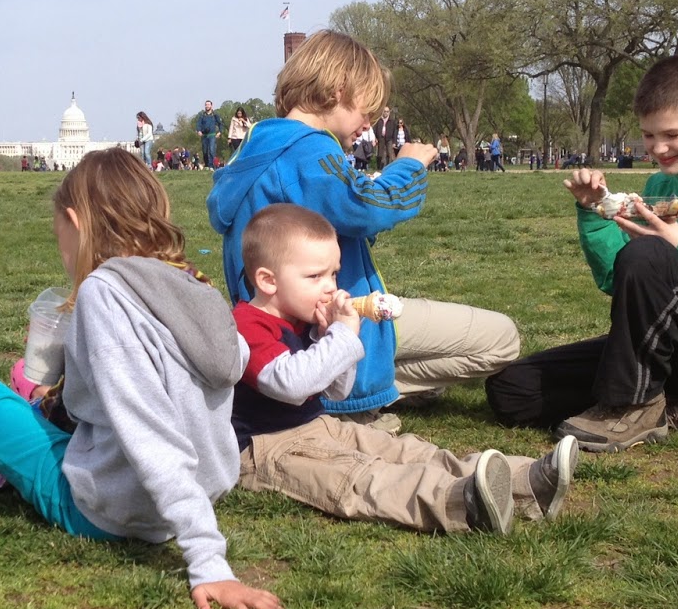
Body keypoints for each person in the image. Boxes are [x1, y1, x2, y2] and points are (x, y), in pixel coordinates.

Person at [0, 148, 283, 609]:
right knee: (33, 398)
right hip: (197, 491)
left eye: (59, 236)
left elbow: (149, 429)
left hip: (113, 508)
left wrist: (208, 561)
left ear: (75, 222)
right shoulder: (194, 285)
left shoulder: (104, 293)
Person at [484, 56, 678, 452]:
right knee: (512, 391)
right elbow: (618, 280)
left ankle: (632, 406)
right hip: (663, 344)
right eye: (648, 135)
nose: (658, 148)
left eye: (672, 134)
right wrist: (595, 212)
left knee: (650, 251)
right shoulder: (659, 184)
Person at [208, 28, 521, 418]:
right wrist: (408, 166)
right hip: (335, 324)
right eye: (366, 108)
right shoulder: (307, 148)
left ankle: (374, 382)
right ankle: (358, 392)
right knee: (503, 339)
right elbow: (365, 207)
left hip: (287, 338)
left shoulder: (258, 148)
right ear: (339, 89)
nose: (368, 122)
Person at [232, 204, 576, 534]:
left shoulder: (299, 319)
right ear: (268, 281)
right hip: (267, 447)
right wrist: (340, 337)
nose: (331, 286)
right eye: (315, 276)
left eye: (333, 273)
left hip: (318, 425)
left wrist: (329, 337)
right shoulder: (247, 327)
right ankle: (464, 503)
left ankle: (524, 481)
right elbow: (291, 385)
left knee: (405, 450)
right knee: (362, 477)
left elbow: (335, 391)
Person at [196, 100, 223, 168]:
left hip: (212, 135)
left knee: (211, 150)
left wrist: (220, 132)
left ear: (211, 106)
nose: (207, 106)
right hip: (204, 136)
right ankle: (207, 165)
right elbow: (198, 124)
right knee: (205, 151)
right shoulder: (202, 116)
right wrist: (199, 131)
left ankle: (211, 166)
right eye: (206, 105)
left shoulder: (215, 115)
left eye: (208, 105)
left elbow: (220, 124)